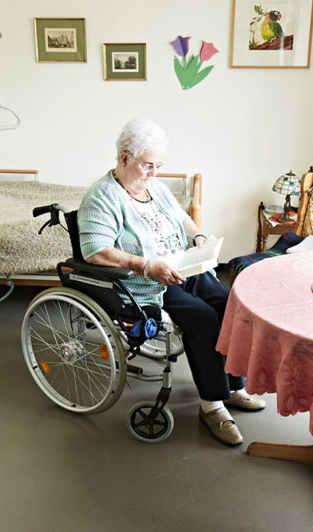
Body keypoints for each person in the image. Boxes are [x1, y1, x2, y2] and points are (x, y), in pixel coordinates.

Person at [77, 117, 265, 446]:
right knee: (204, 319)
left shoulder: (156, 189)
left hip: (182, 269)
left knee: (229, 304)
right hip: (147, 286)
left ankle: (234, 386)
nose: (154, 173)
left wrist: (200, 237)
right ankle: (212, 405)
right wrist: (148, 266)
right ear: (124, 159)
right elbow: (96, 251)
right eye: (148, 165)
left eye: (158, 165)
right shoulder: (102, 198)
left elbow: (184, 221)